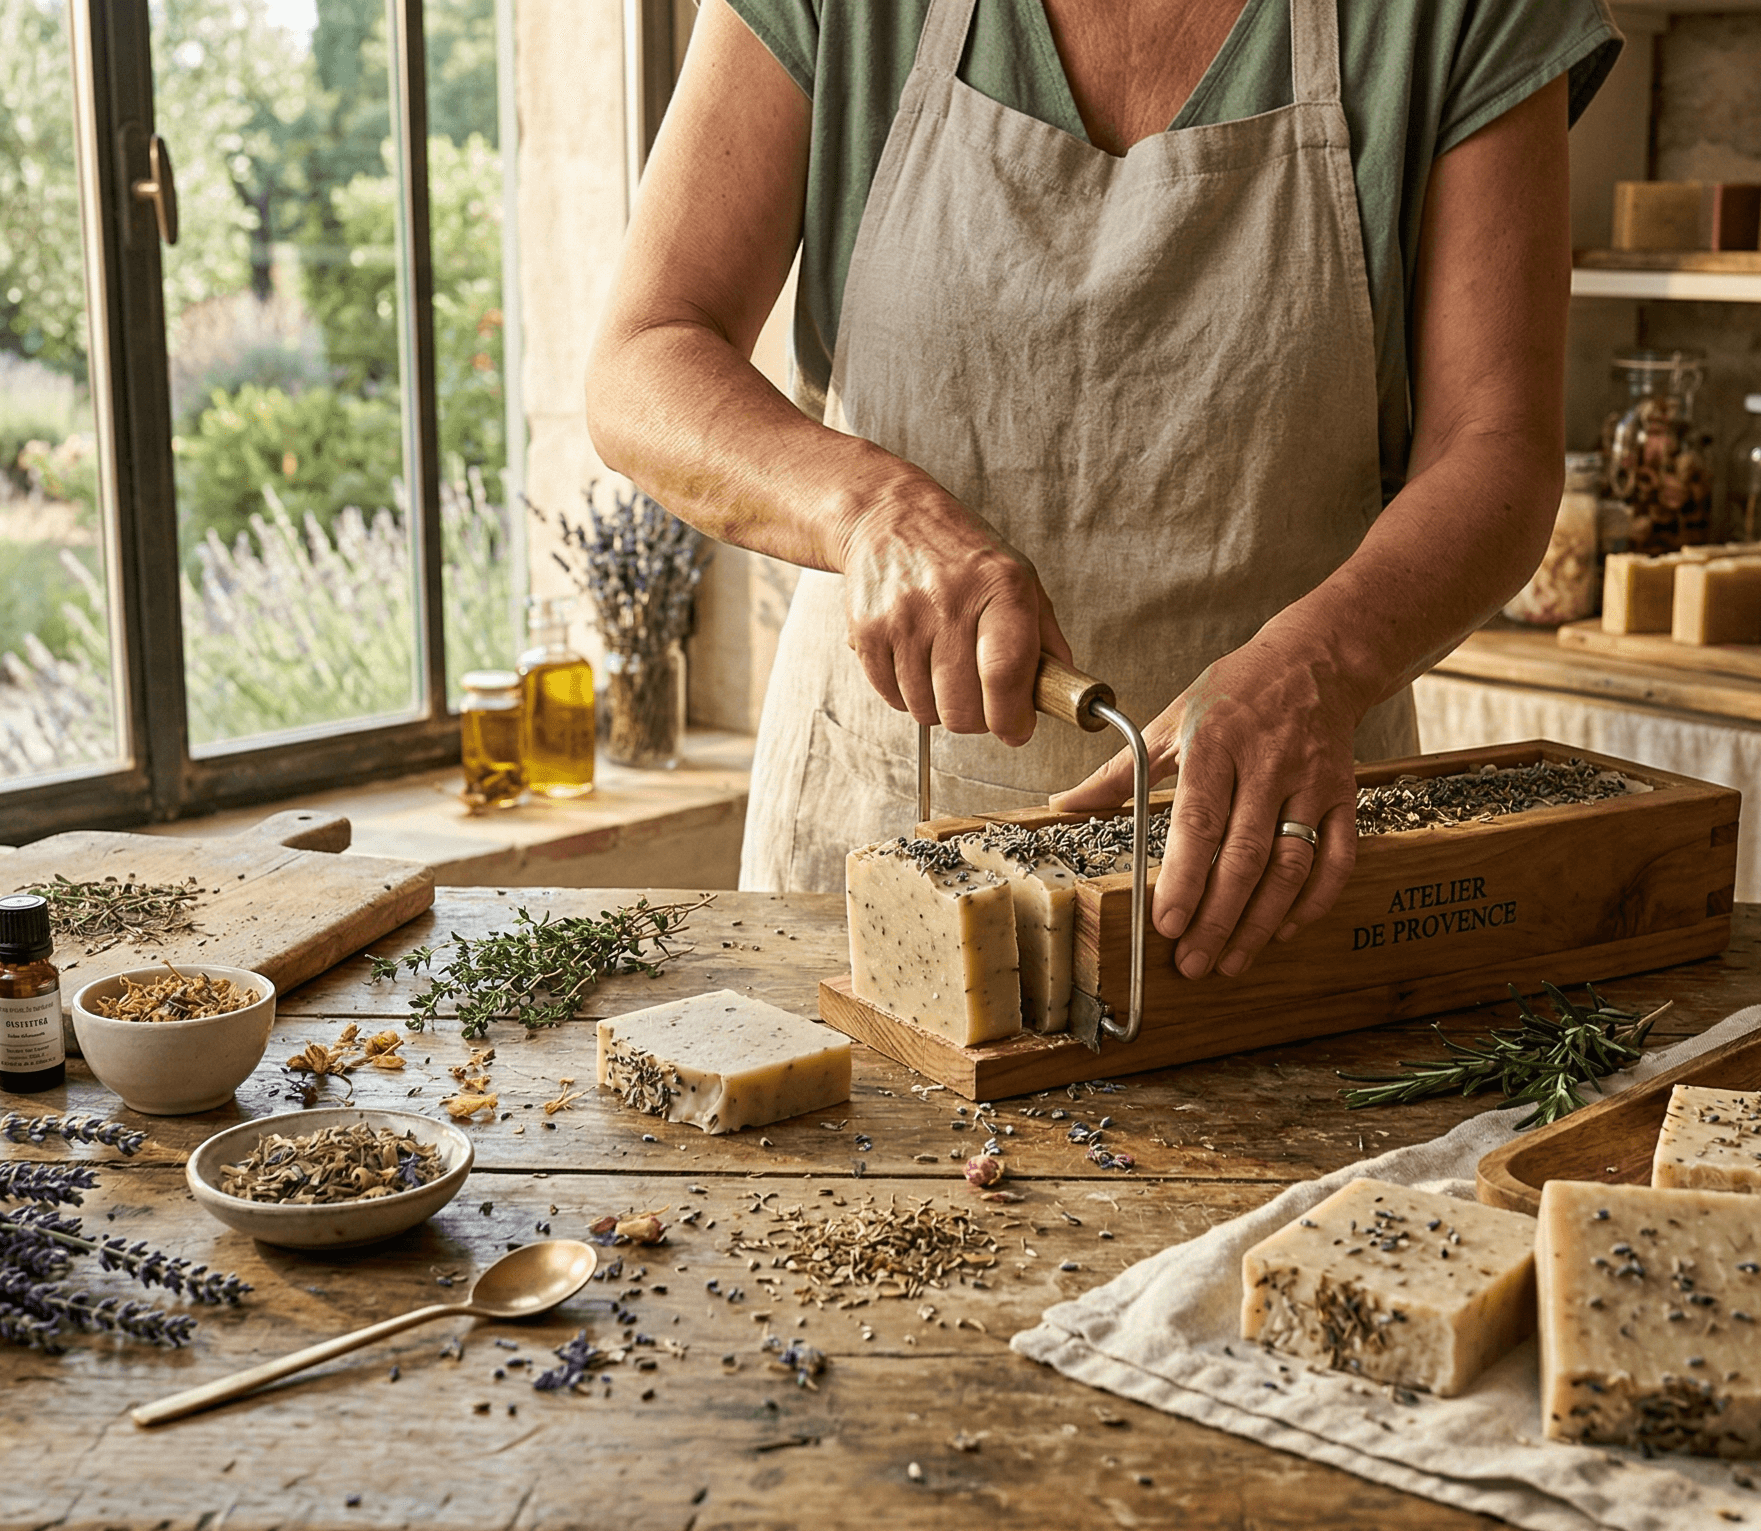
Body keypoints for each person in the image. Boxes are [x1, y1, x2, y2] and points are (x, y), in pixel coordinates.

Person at [588, 0, 1617, 985]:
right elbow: (645, 357)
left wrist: (1320, 667)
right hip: (876, 826)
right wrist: (868, 510)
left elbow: (1495, 449)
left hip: (1259, 865)